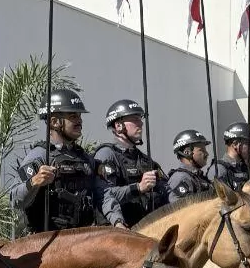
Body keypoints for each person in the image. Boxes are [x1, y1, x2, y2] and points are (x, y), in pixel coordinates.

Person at [11, 89, 124, 232]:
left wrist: (118, 222)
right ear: (54, 122)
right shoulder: (40, 156)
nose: (79, 121)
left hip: (82, 238)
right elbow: (15, 200)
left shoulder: (86, 159)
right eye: (73, 116)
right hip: (48, 241)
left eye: (79, 116)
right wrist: (34, 182)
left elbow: (104, 194)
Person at [92, 99, 167, 227]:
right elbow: (105, 194)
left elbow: (167, 191)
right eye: (135, 119)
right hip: (118, 231)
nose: (141, 123)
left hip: (146, 228)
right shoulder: (106, 155)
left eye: (140, 119)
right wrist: (138, 187)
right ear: (118, 126)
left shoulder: (145, 160)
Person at [207, 121, 250, 196]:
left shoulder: (244, 169)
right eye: (249, 144)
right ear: (235, 144)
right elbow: (218, 203)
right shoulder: (219, 170)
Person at [167, 129, 212, 203]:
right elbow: (179, 212)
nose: (207, 154)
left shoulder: (198, 176)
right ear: (187, 152)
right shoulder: (181, 178)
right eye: (202, 150)